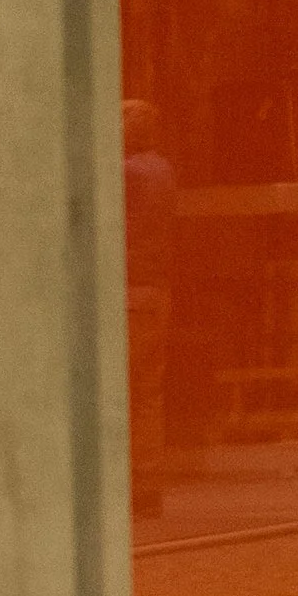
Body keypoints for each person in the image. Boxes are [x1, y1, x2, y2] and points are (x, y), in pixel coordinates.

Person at [119, 98, 176, 517]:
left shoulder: (127, 173)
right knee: (148, 392)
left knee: (124, 391)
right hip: (157, 291)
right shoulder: (163, 170)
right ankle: (148, 483)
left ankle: (127, 483)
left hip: (130, 292)